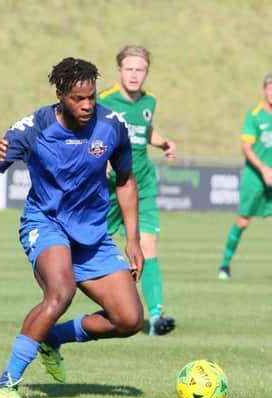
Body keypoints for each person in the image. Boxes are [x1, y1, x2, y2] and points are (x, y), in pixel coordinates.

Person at [0, 57, 144, 398]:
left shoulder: (112, 126)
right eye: (79, 98)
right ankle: (6, 382)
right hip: (45, 223)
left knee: (129, 320)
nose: (88, 105)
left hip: (92, 234)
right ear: (60, 94)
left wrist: (133, 239)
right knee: (61, 292)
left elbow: (125, 180)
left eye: (92, 96)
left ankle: (53, 337)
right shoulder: (32, 129)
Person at [98, 45, 176, 336]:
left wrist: (164, 142)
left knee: (149, 247)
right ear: (119, 70)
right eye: (129, 68)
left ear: (146, 73)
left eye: (140, 69)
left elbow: (144, 128)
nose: (134, 74)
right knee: (97, 247)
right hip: (111, 188)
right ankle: (111, 304)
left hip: (141, 183)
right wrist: (100, 157)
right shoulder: (104, 100)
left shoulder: (149, 101)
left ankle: (156, 317)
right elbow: (90, 132)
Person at [218, 73, 272, 280]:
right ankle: (225, 265)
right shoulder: (255, 115)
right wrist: (265, 169)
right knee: (243, 221)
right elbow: (246, 147)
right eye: (269, 88)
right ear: (264, 90)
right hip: (255, 177)